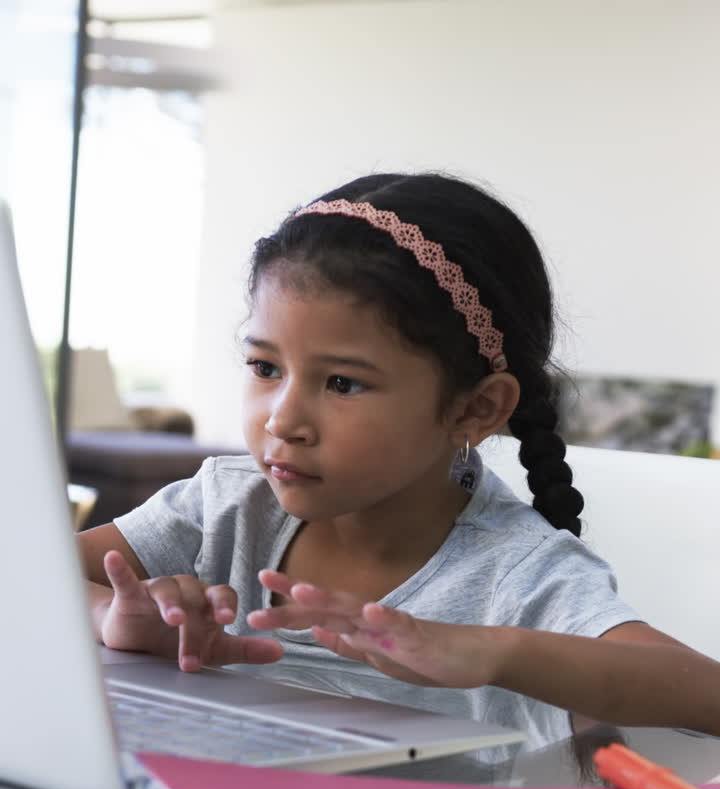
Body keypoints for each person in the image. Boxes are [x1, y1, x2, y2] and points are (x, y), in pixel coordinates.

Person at [78, 171, 720, 746]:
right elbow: (26, 578)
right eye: (265, 367)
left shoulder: (515, 573)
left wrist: (493, 651)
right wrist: (111, 615)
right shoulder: (225, 504)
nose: (282, 420)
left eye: (343, 384)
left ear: (475, 409)